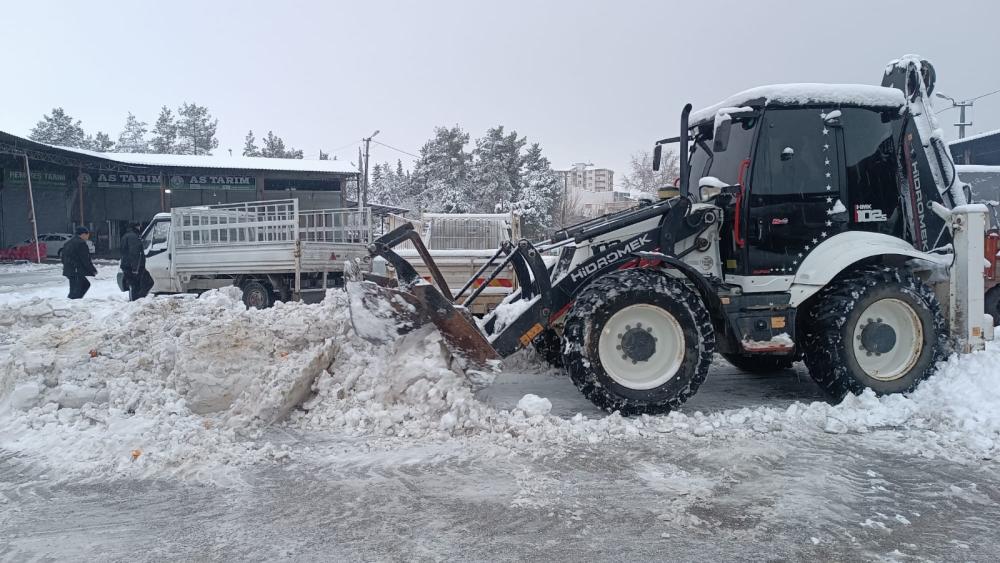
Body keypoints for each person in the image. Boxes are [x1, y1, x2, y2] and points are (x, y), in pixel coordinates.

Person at [62, 226, 97, 299]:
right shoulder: (81, 243)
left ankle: (73, 301)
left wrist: (67, 265)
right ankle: (75, 301)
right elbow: (85, 259)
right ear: (83, 234)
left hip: (69, 269)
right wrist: (92, 269)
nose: (88, 237)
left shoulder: (68, 242)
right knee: (83, 286)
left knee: (74, 288)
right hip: (76, 270)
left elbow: (63, 257)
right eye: (87, 235)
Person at [120, 222, 152, 301]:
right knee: (143, 283)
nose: (140, 228)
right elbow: (134, 253)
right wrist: (135, 268)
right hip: (134, 267)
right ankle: (137, 301)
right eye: (139, 226)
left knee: (136, 285)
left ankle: (137, 301)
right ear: (135, 227)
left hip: (129, 265)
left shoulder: (127, 235)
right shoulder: (133, 237)